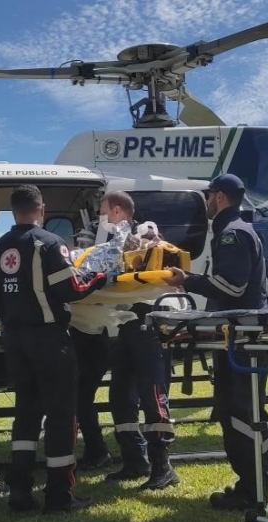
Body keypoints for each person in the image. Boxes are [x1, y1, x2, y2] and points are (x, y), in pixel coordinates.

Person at [0, 184, 107, 513]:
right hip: (49, 340)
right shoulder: (49, 243)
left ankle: (20, 493)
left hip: (14, 340)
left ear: (13, 211)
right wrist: (99, 276)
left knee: (25, 415)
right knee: (61, 417)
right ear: (41, 209)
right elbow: (71, 288)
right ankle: (59, 495)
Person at [163, 173, 268, 510]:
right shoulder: (235, 230)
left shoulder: (232, 234)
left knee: (243, 414)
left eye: (208, 195)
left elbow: (231, 287)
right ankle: (250, 487)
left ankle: (254, 492)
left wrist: (189, 280)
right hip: (240, 337)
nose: (206, 201)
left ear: (220, 197)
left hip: (246, 340)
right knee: (234, 413)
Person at [100, 191, 179, 491]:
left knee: (152, 396)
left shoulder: (144, 231)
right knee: (119, 395)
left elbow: (152, 245)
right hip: (126, 328)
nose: (102, 217)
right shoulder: (111, 244)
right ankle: (134, 460)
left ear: (118, 210)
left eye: (103, 211)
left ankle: (163, 466)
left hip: (149, 327)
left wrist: (132, 244)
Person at [69, 218, 113, 472]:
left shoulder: (91, 274)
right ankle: (95, 449)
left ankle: (97, 451)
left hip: (91, 341)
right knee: (81, 400)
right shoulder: (86, 271)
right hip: (88, 339)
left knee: (81, 400)